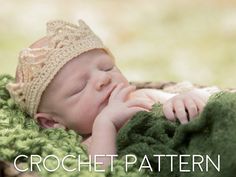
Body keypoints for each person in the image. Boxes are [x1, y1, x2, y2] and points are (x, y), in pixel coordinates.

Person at [6, 20, 216, 169]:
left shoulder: (143, 97)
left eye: (107, 68)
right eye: (79, 87)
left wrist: (188, 100)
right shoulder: (85, 144)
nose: (102, 79)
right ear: (52, 123)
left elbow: (209, 98)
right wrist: (105, 123)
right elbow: (100, 170)